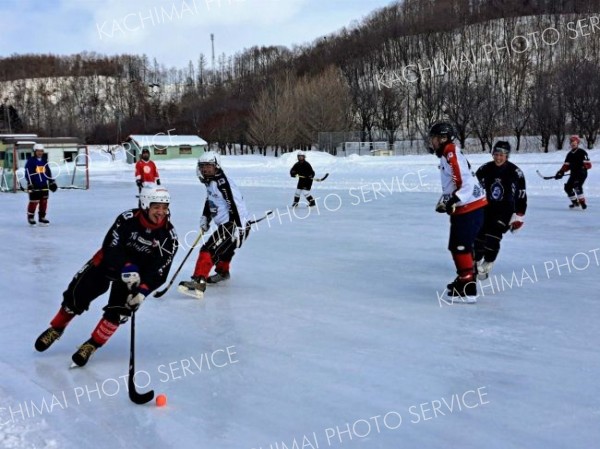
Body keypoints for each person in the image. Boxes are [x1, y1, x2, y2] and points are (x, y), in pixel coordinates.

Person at [34, 185, 178, 367]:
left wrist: (142, 291)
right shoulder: (127, 219)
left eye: (165, 208)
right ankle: (56, 328)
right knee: (76, 295)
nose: (161, 212)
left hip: (135, 277)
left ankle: (92, 345)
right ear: (145, 204)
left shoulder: (169, 237)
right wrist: (126, 265)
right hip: (107, 264)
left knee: (119, 311)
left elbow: (160, 270)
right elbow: (111, 246)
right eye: (157, 207)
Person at [178, 151, 250, 298]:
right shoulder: (211, 182)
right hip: (228, 224)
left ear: (216, 166)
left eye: (208, 166)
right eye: (202, 166)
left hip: (233, 224)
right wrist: (205, 217)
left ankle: (199, 280)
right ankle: (223, 272)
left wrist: (239, 228)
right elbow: (210, 200)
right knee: (225, 250)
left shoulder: (222, 182)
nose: (205, 169)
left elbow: (235, 205)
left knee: (208, 249)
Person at [429, 122, 487, 302]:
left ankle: (468, 288)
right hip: (470, 205)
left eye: (434, 139)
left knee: (460, 245)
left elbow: (465, 182)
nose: (432, 143)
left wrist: (454, 199)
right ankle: (465, 279)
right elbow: (454, 182)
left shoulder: (451, 154)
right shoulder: (448, 153)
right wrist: (446, 199)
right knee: (459, 245)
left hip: (470, 206)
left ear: (443, 138)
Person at [474, 141, 527, 279]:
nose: (498, 157)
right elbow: (473, 189)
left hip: (505, 211)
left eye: (502, 155)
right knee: (478, 237)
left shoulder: (516, 172)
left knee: (493, 236)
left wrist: (519, 215)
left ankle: (488, 262)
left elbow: (521, 195)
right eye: (496, 154)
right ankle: (475, 260)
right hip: (485, 208)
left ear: (507, 156)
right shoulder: (484, 169)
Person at [555, 135, 592, 209]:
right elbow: (566, 166)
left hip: (582, 173)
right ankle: (575, 203)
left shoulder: (582, 152)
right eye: (571, 142)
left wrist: (583, 167)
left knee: (577, 185)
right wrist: (561, 172)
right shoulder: (569, 154)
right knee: (567, 188)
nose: (573, 143)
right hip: (573, 174)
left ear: (577, 143)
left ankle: (582, 202)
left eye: (574, 142)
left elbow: (589, 165)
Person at [24, 143, 57, 225]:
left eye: (41, 151)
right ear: (35, 152)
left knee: (44, 201)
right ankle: (30, 217)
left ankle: (42, 217)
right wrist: (30, 183)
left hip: (44, 184)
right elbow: (28, 173)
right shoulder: (31, 161)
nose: (40, 153)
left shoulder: (44, 161)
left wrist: (51, 181)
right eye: (38, 151)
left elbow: (48, 172)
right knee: (34, 201)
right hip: (34, 184)